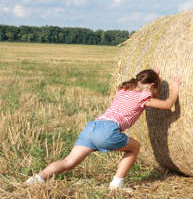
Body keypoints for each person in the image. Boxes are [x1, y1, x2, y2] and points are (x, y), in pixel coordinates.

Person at [26, 69, 180, 189]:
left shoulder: (123, 90)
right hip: (108, 131)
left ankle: (37, 178)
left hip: (92, 127)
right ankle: (116, 184)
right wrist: (174, 90)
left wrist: (154, 76)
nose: (156, 93)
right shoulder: (142, 98)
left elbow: (144, 85)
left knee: (69, 161)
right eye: (157, 88)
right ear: (152, 86)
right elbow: (167, 105)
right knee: (134, 148)